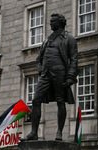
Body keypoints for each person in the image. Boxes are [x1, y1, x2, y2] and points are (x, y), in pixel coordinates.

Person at [20, 13, 78, 141]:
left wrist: (70, 76)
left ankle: (59, 132)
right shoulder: (47, 40)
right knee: (36, 100)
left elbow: (74, 59)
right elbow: (38, 59)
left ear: (60, 23)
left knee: (60, 102)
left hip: (60, 73)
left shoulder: (69, 39)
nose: (50, 23)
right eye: (50, 21)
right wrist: (40, 67)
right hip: (46, 74)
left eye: (53, 21)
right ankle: (34, 133)